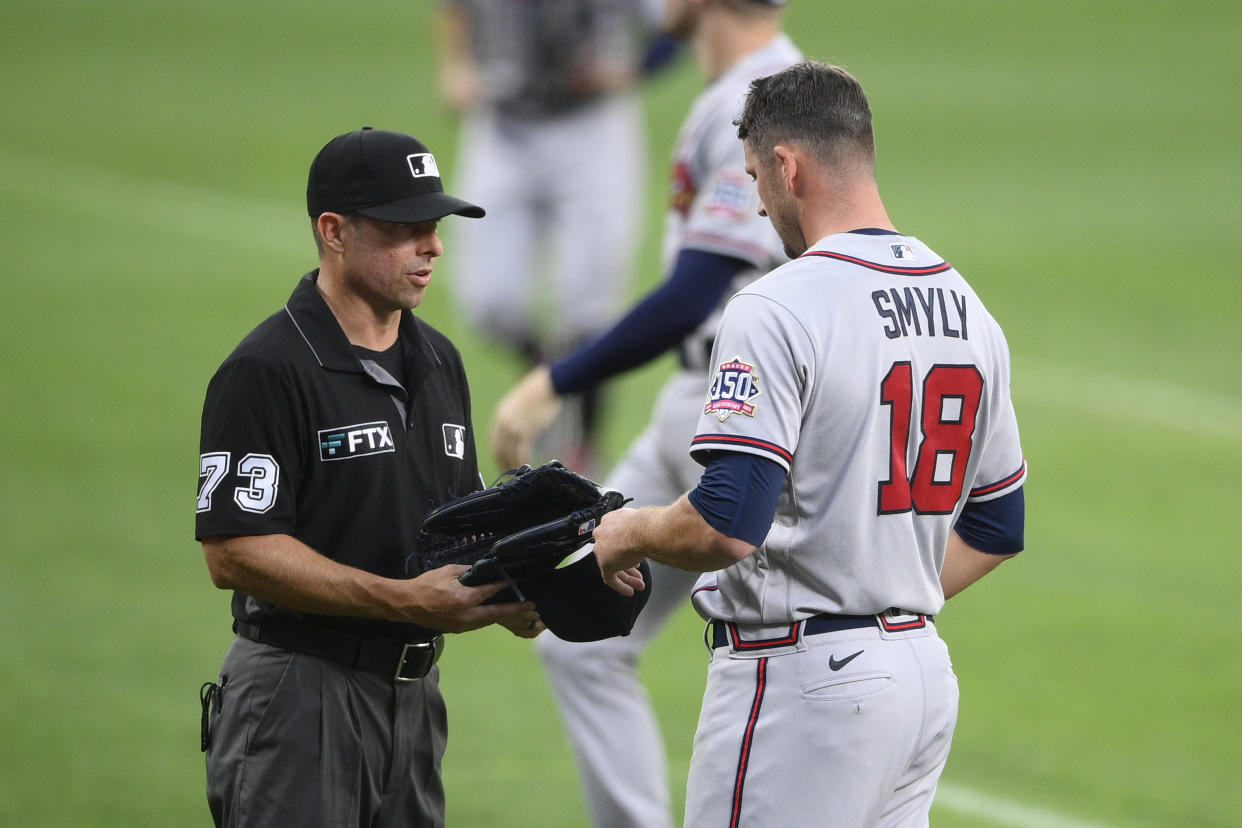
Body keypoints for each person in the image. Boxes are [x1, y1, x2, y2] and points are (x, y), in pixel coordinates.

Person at [591, 60, 1028, 827]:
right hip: (919, 675)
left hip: (802, 686)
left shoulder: (777, 304)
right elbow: (998, 524)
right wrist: (886, 600)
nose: (760, 207)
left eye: (757, 179)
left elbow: (726, 523)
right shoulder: (968, 307)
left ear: (787, 167)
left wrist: (626, 530)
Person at [491, 1, 801, 825]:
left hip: (747, 415)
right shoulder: (738, 88)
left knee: (782, 669)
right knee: (580, 633)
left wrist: (552, 380)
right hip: (694, 404)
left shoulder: (764, 96)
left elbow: (699, 286)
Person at [195, 126, 543, 828]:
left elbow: (457, 524)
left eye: (435, 226)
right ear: (334, 231)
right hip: (299, 696)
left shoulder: (440, 361)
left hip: (413, 700)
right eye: (404, 227)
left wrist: (538, 580)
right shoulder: (266, 370)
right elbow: (233, 550)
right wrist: (403, 601)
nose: (433, 246)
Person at [436, 0, 665, 472]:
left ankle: (585, 446)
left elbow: (678, 19)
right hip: (501, 127)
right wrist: (456, 66)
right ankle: (547, 376)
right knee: (488, 300)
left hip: (592, 128)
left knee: (587, 303)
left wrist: (633, 68)